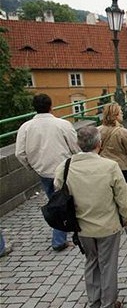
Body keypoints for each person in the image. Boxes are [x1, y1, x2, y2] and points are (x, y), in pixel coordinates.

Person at [54, 126, 127, 308]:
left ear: (78, 144)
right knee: (108, 264)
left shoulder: (65, 166)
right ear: (99, 144)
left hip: (81, 226)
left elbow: (59, 189)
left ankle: (94, 301)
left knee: (91, 262)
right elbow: (123, 198)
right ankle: (107, 306)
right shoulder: (109, 166)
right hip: (107, 224)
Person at [15, 93, 81, 252]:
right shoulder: (63, 124)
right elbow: (76, 148)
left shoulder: (26, 127)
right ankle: (62, 237)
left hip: (43, 171)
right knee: (66, 201)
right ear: (51, 106)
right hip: (64, 169)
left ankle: (64, 232)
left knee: (55, 200)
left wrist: (32, 166)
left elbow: (19, 153)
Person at [98, 103, 127, 184]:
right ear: (116, 116)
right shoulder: (123, 132)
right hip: (122, 167)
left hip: (104, 166)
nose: (122, 114)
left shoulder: (98, 131)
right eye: (121, 113)